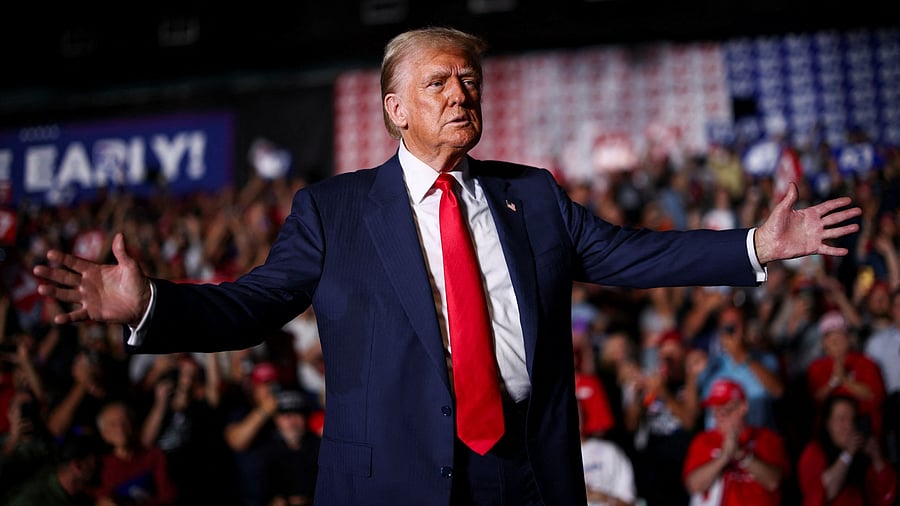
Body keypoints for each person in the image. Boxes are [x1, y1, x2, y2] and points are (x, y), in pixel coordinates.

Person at [32, 26, 861, 505]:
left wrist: (756, 245)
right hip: (389, 476)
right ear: (395, 109)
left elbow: (628, 253)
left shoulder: (530, 195)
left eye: (470, 80)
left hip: (522, 472)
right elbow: (252, 305)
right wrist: (152, 306)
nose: (462, 92)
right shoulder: (334, 209)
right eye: (439, 83)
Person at [683, 379, 791, 506]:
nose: (719, 417)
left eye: (725, 410)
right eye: (715, 411)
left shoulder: (766, 438)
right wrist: (723, 457)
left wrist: (742, 455)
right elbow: (694, 486)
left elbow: (773, 482)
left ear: (743, 407)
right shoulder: (703, 440)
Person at [797, 394, 897, 506]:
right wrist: (847, 455)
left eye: (852, 419)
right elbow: (823, 493)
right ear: (827, 423)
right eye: (841, 419)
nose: (849, 426)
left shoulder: (860, 453)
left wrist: (877, 458)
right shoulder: (813, 452)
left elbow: (885, 497)